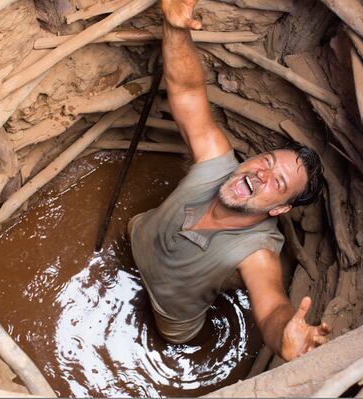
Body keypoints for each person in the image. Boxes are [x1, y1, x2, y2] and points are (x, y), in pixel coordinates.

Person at [127, 0, 330, 361]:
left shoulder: (258, 252)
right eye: (266, 162)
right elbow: (188, 91)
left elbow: (270, 307)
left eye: (278, 183)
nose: (262, 174)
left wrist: (285, 331)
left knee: (175, 344)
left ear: (281, 208)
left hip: (173, 316)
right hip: (137, 239)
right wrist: (175, 27)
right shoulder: (216, 161)